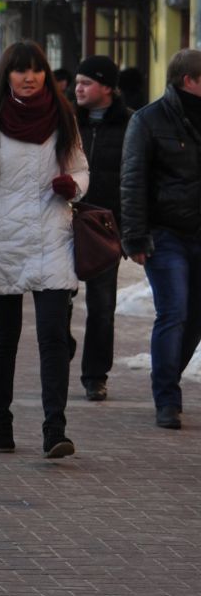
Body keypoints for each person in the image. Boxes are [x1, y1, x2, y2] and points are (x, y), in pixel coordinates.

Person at [0, 42, 88, 457]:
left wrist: (74, 186)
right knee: (5, 338)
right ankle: (1, 421)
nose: (29, 77)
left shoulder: (63, 118)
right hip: (4, 242)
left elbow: (80, 168)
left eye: (36, 70)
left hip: (53, 238)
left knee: (53, 336)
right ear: (7, 76)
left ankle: (55, 429)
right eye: (20, 71)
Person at [119, 49, 201, 429]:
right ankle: (167, 398)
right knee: (174, 312)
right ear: (191, 80)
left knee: (195, 318)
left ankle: (168, 379)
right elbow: (133, 180)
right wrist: (135, 237)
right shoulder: (148, 120)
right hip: (165, 234)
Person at [72, 55, 131, 402]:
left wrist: (128, 229)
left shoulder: (131, 125)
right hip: (63, 223)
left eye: (87, 82)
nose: (78, 88)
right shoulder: (65, 122)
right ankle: (60, 347)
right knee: (57, 301)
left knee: (102, 307)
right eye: (77, 82)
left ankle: (95, 375)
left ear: (107, 88)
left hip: (105, 229)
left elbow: (136, 180)